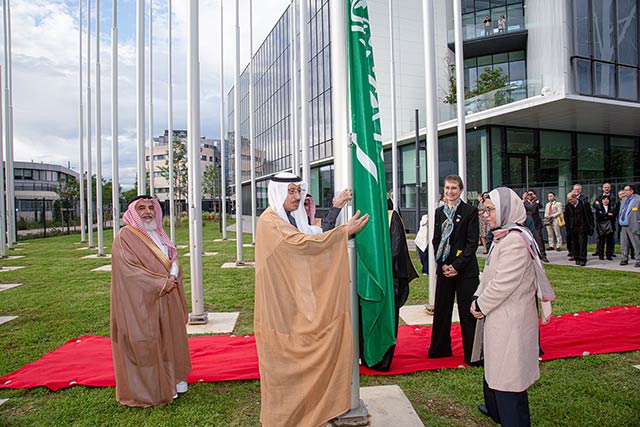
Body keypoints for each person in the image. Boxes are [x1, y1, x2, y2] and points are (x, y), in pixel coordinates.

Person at [254, 172, 369, 427]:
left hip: (298, 298)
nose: (297, 196)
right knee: (286, 363)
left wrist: (336, 207)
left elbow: (314, 234)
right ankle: (284, 418)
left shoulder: (290, 218)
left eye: (299, 191)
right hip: (281, 306)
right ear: (278, 193)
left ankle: (312, 409)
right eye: (291, 191)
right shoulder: (271, 222)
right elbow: (305, 244)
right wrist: (344, 233)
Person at [471, 187, 555, 427]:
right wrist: (477, 295)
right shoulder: (504, 235)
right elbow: (490, 274)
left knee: (508, 381)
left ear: (506, 210)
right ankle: (496, 410)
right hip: (501, 317)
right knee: (500, 373)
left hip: (510, 320)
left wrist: (480, 304)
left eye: (490, 210)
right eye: (484, 210)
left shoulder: (515, 241)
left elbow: (503, 284)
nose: (485, 214)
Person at [110, 195, 191, 407]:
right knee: (147, 343)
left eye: (150, 207)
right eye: (142, 208)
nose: (147, 212)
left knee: (171, 339)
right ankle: (152, 391)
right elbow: (129, 270)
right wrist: (160, 283)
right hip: (143, 302)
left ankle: (175, 384)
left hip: (168, 297)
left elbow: (172, 258)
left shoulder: (158, 233)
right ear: (132, 212)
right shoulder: (125, 237)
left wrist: (174, 273)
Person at [428, 175, 479, 365]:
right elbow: (435, 241)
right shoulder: (439, 212)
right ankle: (439, 350)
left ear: (461, 190)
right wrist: (442, 264)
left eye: (454, 188)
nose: (450, 192)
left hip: (465, 270)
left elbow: (472, 243)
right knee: (442, 310)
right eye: (447, 188)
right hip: (444, 269)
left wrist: (457, 266)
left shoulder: (470, 211)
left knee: (468, 312)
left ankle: (473, 354)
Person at [366, 208, 419, 371]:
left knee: (386, 318)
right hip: (368, 279)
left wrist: (379, 270)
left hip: (388, 278)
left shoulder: (390, 217)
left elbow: (395, 250)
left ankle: (382, 359)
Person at [564, 192, 594, 266]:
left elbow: (590, 215)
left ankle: (583, 259)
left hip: (583, 227)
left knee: (582, 243)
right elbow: (566, 217)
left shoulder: (584, 204)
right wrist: (568, 227)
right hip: (573, 227)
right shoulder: (568, 206)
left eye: (571, 199)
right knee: (575, 243)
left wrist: (591, 225)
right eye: (569, 200)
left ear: (575, 197)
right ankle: (577, 258)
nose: (570, 201)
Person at [617, 184, 640, 267]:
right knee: (624, 243)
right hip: (623, 226)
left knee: (636, 243)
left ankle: (638, 259)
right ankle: (624, 258)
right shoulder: (624, 200)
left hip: (634, 224)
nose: (624, 192)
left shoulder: (638, 199)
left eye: (626, 190)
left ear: (631, 191)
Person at [524, 190, 549, 262]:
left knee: (539, 240)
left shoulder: (537, 202)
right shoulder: (525, 203)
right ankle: (531, 255)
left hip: (536, 223)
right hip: (528, 224)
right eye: (529, 194)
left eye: (531, 194)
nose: (530, 196)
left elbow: (538, 207)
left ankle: (543, 255)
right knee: (528, 240)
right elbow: (528, 209)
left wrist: (536, 200)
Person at [594, 195, 616, 260]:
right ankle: (601, 255)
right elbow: (599, 216)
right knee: (601, 242)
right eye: (604, 199)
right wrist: (607, 214)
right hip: (601, 227)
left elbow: (613, 215)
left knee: (609, 242)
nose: (605, 201)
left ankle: (609, 255)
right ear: (602, 201)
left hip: (610, 227)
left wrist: (605, 215)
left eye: (607, 199)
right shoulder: (599, 208)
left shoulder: (612, 207)